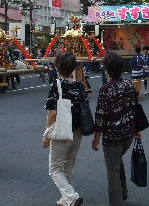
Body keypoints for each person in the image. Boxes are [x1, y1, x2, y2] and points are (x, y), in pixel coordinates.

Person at [92, 52, 140, 206]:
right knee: (117, 162)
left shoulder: (105, 89)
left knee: (112, 169)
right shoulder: (128, 84)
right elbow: (134, 108)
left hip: (113, 137)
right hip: (128, 134)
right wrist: (137, 129)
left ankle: (116, 202)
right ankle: (123, 191)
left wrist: (96, 138)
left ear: (107, 70)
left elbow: (100, 116)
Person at [43, 52, 87, 206]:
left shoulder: (56, 85)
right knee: (68, 165)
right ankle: (66, 199)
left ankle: (72, 196)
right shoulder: (79, 85)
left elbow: (52, 113)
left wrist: (47, 134)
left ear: (57, 68)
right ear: (73, 68)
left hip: (62, 131)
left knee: (54, 169)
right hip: (77, 131)